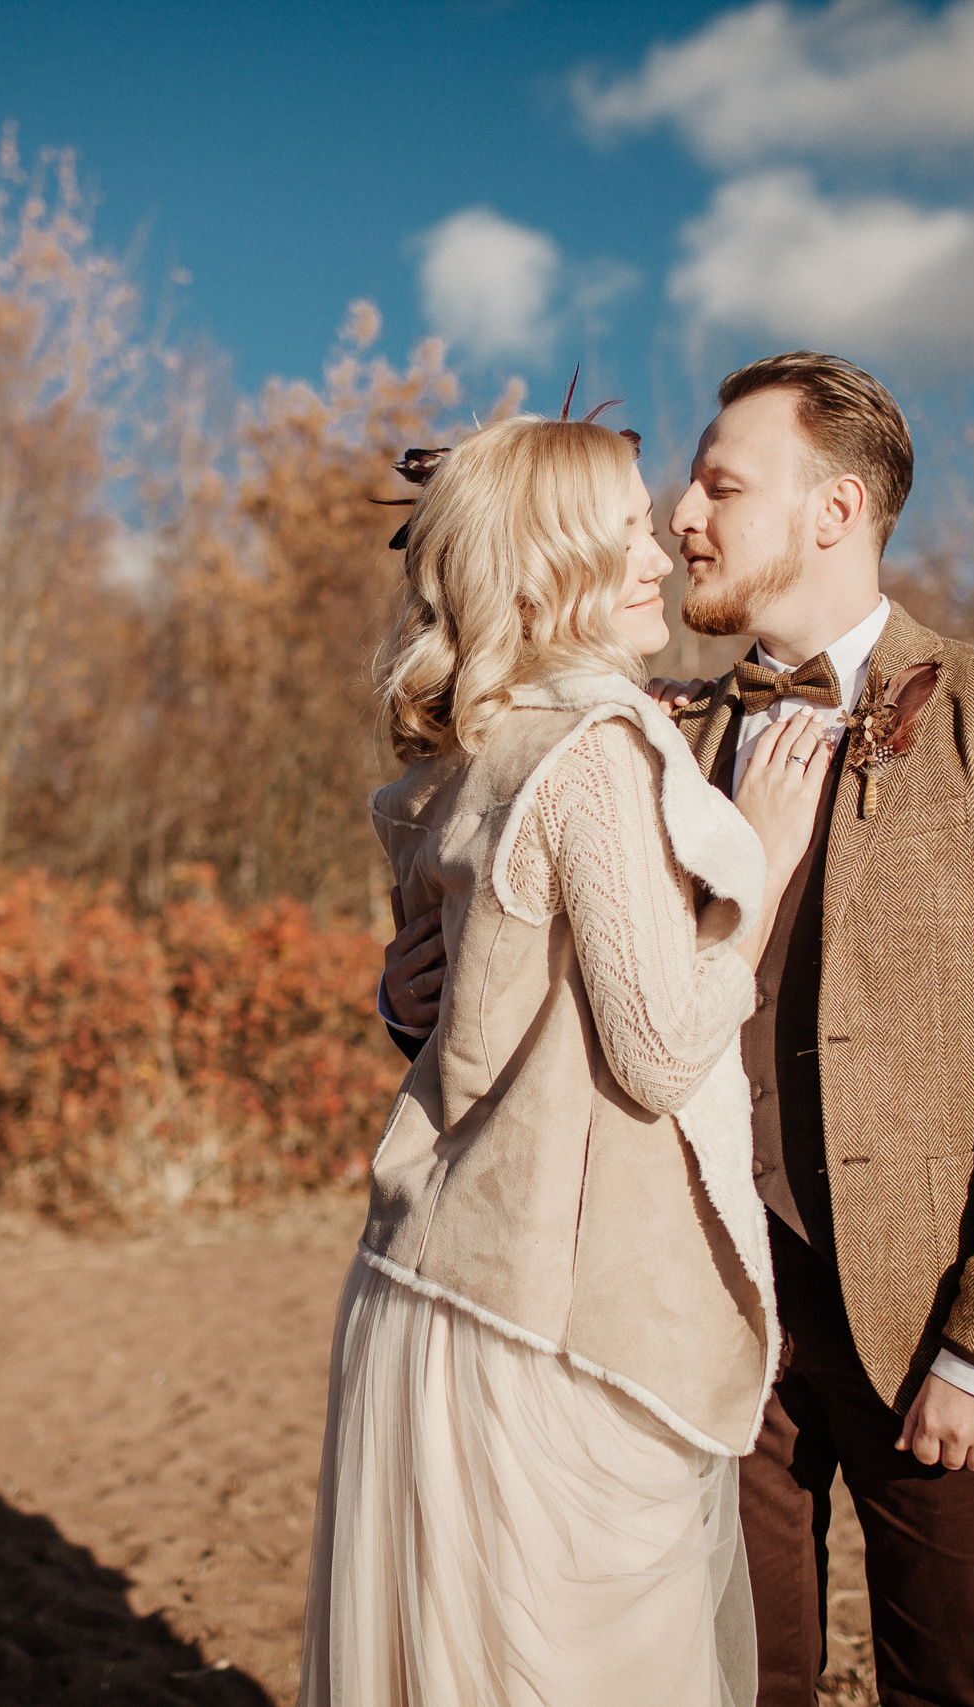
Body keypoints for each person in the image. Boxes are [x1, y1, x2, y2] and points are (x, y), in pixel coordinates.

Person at [379, 353, 974, 1707]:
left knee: (960, 1684)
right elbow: (531, 971)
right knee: (734, 1681)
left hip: (932, 1326)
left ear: (835, 510)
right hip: (700, 1316)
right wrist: (411, 988)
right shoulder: (647, 734)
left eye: (721, 487)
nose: (682, 518)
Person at [300, 413, 832, 1707]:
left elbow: (466, 999)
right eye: (626, 534)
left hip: (428, 1292)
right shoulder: (595, 750)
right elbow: (656, 1051)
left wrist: (398, 1002)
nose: (660, 557)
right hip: (550, 1322)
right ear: (550, 568)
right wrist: (760, 864)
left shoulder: (471, 745)